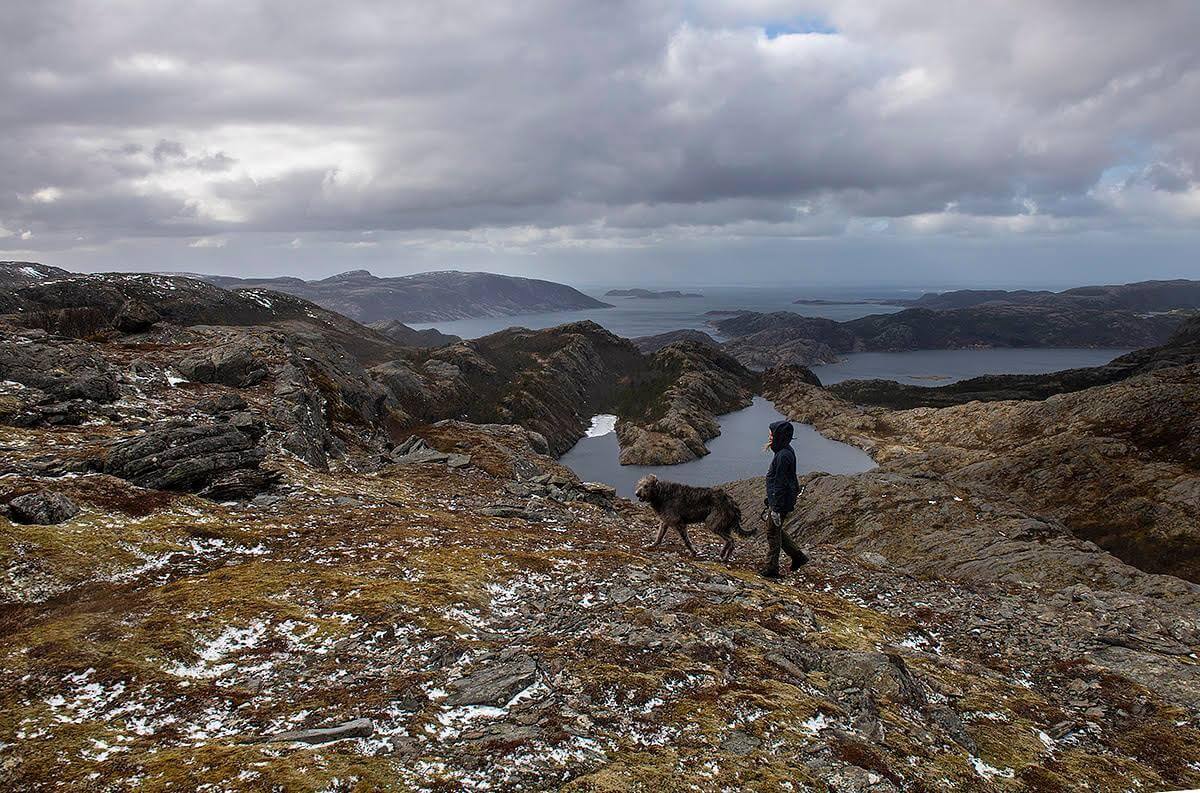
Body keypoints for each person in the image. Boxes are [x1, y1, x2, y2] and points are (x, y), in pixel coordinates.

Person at [760, 420, 808, 578]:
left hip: (781, 502)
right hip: (781, 500)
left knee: (772, 533)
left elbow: (780, 483)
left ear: (778, 436)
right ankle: (798, 557)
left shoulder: (783, 455)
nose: (769, 435)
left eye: (771, 433)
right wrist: (771, 500)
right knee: (775, 530)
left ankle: (771, 569)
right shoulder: (784, 451)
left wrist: (776, 507)